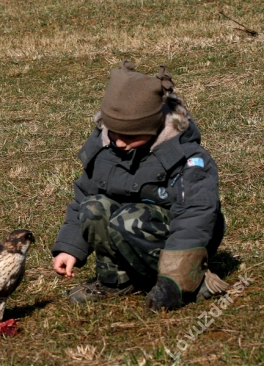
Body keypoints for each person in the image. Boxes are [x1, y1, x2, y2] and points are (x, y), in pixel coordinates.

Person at [52, 61, 229, 311]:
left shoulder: (187, 158)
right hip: (129, 228)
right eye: (115, 133)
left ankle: (194, 280)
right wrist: (69, 249)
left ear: (154, 126)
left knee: (128, 218)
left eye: (131, 136)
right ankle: (115, 281)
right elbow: (83, 197)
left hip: (177, 237)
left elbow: (195, 218)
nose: (121, 143)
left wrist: (174, 282)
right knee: (93, 207)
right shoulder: (104, 148)